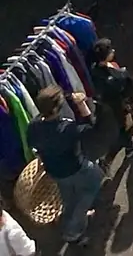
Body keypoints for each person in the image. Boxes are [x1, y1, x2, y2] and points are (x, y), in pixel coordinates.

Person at [29, 87, 101, 244]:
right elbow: (91, 126)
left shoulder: (33, 126)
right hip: (75, 168)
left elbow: (33, 145)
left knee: (68, 197)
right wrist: (82, 104)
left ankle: (70, 219)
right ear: (55, 108)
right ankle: (74, 229)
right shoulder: (66, 128)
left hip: (54, 170)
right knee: (92, 186)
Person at [89, 38, 133, 160]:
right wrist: (127, 112)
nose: (113, 51)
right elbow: (125, 94)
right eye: (110, 51)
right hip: (118, 108)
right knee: (125, 127)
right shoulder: (116, 78)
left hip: (105, 107)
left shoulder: (94, 70)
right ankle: (129, 147)